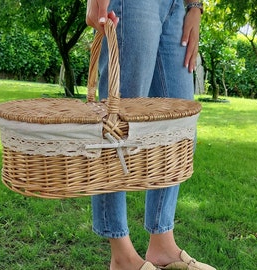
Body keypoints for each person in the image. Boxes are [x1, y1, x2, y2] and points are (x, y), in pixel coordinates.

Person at [86, 1, 216, 270]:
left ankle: (162, 246)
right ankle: (121, 256)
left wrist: (195, 6)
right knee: (117, 124)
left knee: (179, 127)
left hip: (177, 6)